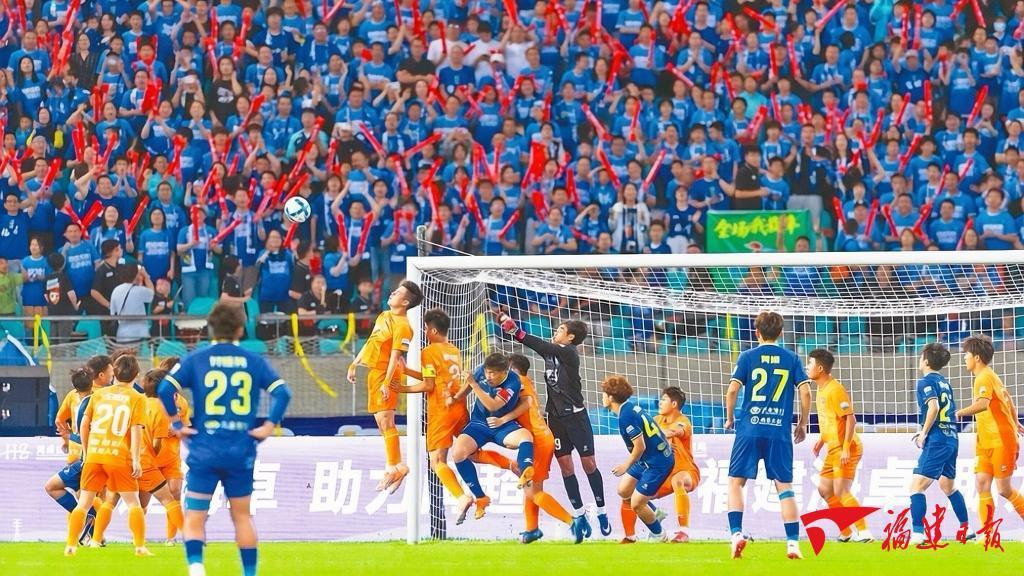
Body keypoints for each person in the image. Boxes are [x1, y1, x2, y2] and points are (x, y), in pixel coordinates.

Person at [157, 303, 293, 576]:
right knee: (242, 516)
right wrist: (268, 426)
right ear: (241, 329)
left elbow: (164, 388)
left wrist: (177, 424)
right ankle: (249, 573)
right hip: (240, 449)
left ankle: (197, 569)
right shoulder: (253, 360)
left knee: (195, 516)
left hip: (204, 449)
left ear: (210, 328)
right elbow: (283, 393)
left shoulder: (197, 358)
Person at [495, 310, 607, 537]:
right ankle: (579, 514)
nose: (556, 332)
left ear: (571, 337)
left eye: (561, 330)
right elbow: (538, 346)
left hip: (576, 417)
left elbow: (544, 346)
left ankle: (601, 511)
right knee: (566, 467)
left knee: (589, 465)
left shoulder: (569, 353)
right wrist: (514, 331)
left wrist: (517, 331)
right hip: (555, 419)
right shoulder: (551, 353)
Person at [396, 308, 515, 523]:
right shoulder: (453, 350)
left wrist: (401, 388)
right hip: (459, 408)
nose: (424, 331)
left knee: (437, 461)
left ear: (432, 330)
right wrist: (407, 371)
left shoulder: (428, 352)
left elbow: (429, 385)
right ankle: (510, 465)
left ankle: (462, 497)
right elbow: (437, 376)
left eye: (425, 328)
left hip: (441, 411)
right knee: (472, 453)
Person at [724, 311, 811, 560]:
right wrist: (802, 423)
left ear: (756, 332)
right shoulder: (792, 358)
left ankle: (736, 534)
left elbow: (732, 390)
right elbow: (805, 392)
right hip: (778, 431)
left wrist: (730, 418)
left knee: (736, 482)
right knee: (784, 487)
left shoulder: (747, 356)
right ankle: (792, 544)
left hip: (749, 429)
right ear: (781, 333)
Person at [493, 353, 585, 543]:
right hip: (541, 437)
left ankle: (571, 521)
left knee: (533, 491)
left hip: (537, 442)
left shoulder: (517, 383)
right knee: (532, 487)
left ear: (513, 369)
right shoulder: (526, 382)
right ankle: (532, 529)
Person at [64, 353, 149, 557]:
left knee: (83, 503)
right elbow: (136, 429)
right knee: (133, 503)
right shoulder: (138, 398)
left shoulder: (98, 394)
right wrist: (136, 459)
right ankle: (139, 547)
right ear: (136, 374)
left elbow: (84, 424)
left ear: (115, 374)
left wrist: (87, 451)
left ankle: (71, 545)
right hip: (118, 457)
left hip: (94, 456)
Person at [346, 280, 423, 492]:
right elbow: (370, 343)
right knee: (381, 423)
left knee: (387, 421)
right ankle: (398, 467)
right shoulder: (383, 316)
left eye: (397, 293)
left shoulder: (404, 327)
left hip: (387, 374)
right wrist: (354, 364)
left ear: (405, 302)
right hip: (374, 373)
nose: (392, 293)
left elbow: (395, 358)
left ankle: (393, 468)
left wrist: (387, 383)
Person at [449, 353, 537, 520]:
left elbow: (493, 405)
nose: (488, 376)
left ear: (504, 372)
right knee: (458, 453)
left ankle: (526, 469)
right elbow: (466, 390)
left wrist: (474, 384)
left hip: (502, 424)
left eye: (493, 373)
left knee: (525, 436)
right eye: (487, 372)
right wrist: (454, 399)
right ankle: (481, 497)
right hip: (479, 424)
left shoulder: (513, 382)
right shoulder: (481, 370)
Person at [955, 335, 1024, 527]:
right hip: (984, 440)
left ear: (977, 357)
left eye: (967, 354)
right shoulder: (989, 376)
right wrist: (1016, 421)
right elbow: (1008, 399)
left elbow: (983, 404)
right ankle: (986, 533)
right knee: (982, 483)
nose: (964, 357)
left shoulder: (984, 377)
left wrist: (958, 413)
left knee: (1003, 489)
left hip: (1001, 439)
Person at [908, 343, 973, 546]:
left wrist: (923, 433)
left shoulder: (924, 382)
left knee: (916, 487)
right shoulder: (945, 383)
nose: (920, 360)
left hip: (937, 440)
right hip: (952, 437)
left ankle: (918, 533)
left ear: (926, 361)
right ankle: (967, 529)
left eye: (921, 357)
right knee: (948, 486)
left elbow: (934, 407)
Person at [806, 349, 873, 543]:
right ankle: (846, 531)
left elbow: (850, 419)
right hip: (833, 447)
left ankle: (864, 532)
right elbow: (831, 420)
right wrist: (822, 439)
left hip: (847, 447)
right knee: (825, 490)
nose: (806, 367)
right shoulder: (821, 388)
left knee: (841, 491)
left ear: (820, 368)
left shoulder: (835, 389)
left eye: (810, 364)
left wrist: (845, 448)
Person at [602, 374, 671, 542]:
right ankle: (654, 513)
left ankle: (660, 536)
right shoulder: (629, 407)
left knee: (637, 504)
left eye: (604, 394)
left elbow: (640, 447)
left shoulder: (626, 416)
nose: (602, 397)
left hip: (657, 462)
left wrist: (625, 466)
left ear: (611, 397)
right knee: (623, 490)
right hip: (647, 459)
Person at [44, 368, 95, 544]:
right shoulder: (96, 398)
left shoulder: (83, 399)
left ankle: (90, 530)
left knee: (84, 498)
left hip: (85, 455)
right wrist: (68, 439)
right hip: (82, 456)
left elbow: (60, 420)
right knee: (86, 498)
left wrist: (68, 438)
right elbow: (61, 420)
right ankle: (89, 534)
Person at [109, 263, 155, 344]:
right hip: (138, 333)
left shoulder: (116, 290)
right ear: (136, 276)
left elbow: (112, 312)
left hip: (122, 334)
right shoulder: (139, 290)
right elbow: (151, 294)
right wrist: (146, 276)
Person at [45, 253, 79, 343]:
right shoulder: (64, 277)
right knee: (64, 340)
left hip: (53, 313)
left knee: (54, 340)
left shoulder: (47, 279)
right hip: (65, 314)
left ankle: (54, 353)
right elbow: (71, 293)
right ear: (63, 264)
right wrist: (75, 306)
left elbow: (46, 296)